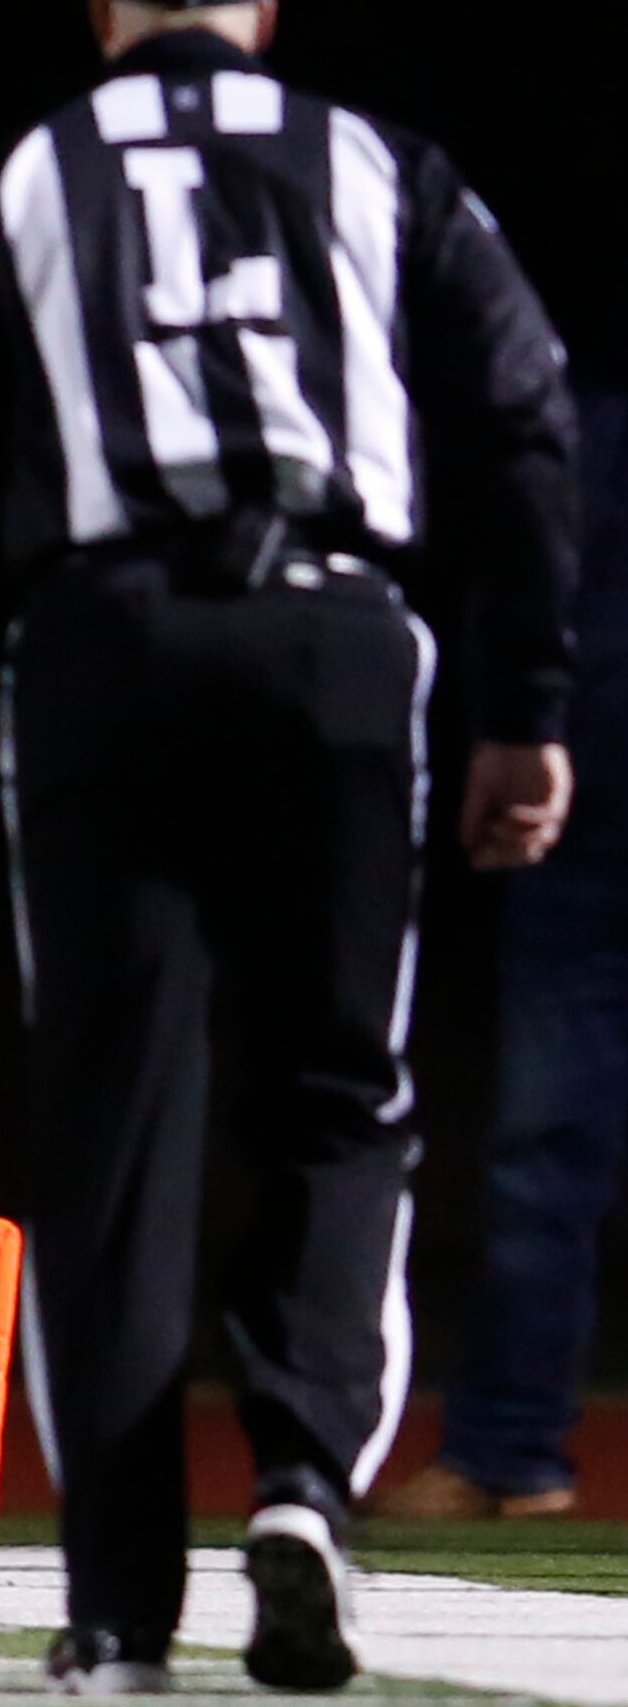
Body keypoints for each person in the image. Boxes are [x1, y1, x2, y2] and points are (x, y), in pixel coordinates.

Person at [0, 0, 577, 1695]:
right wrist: (521, 701)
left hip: (99, 652)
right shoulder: (380, 165)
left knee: (112, 1133)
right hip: (332, 640)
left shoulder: (14, 178)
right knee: (342, 1094)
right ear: (261, 21)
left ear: (102, 21)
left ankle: (112, 1610)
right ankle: (308, 1479)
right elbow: (521, 412)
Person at [374, 387, 628, 1523]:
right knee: (539, 1152)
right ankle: (507, 1451)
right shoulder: (584, 426)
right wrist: (511, 738)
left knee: (541, 1151)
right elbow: (522, 574)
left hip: (584, 820)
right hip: (589, 824)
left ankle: (506, 1445)